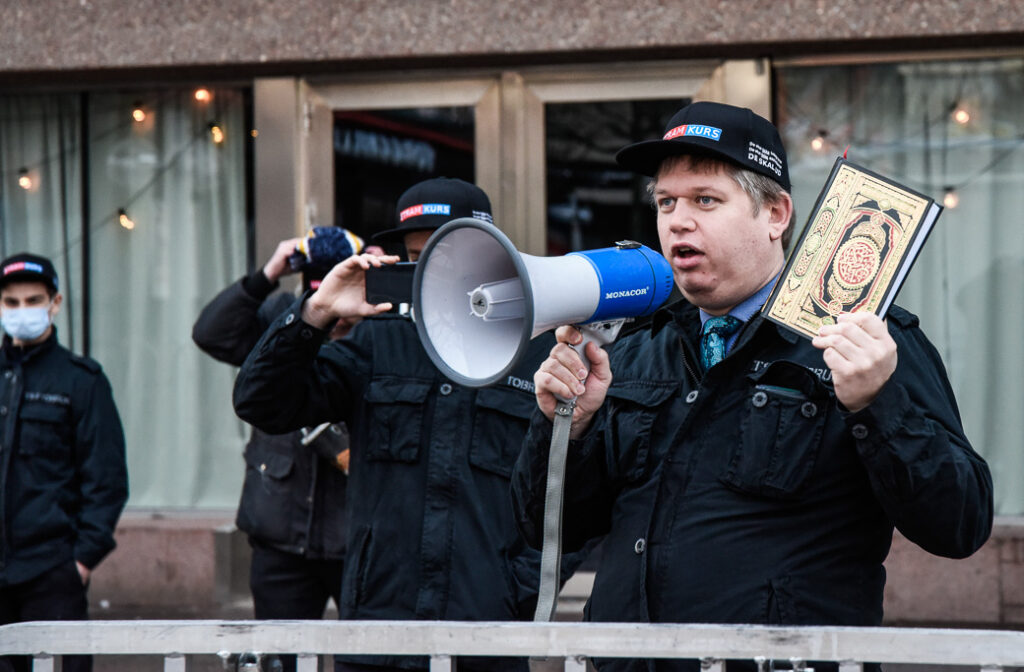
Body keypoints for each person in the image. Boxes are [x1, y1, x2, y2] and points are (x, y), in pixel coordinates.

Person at [510, 102, 994, 672]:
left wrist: (877, 403)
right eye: (666, 202)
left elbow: (960, 522)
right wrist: (570, 426)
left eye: (705, 200)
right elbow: (549, 531)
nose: (677, 221)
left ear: (776, 213)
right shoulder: (638, 347)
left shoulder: (863, 338)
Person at [233, 178, 560, 672]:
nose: (433, 273)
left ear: (492, 251)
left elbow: (575, 489)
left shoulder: (538, 349)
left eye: (448, 254)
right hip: (378, 633)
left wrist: (521, 588)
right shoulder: (374, 340)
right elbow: (261, 401)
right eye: (416, 258)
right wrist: (316, 313)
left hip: (487, 637)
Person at [193, 228, 375, 672]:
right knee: (280, 660)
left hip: (354, 535)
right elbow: (211, 333)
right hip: (279, 532)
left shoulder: (376, 327)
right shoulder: (281, 315)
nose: (335, 315)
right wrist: (268, 273)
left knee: (367, 655)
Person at [0, 253, 129, 672]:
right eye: (11, 303)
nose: (22, 312)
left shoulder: (81, 380)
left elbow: (106, 479)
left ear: (55, 303)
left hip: (52, 571)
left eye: (33, 301)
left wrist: (81, 561)